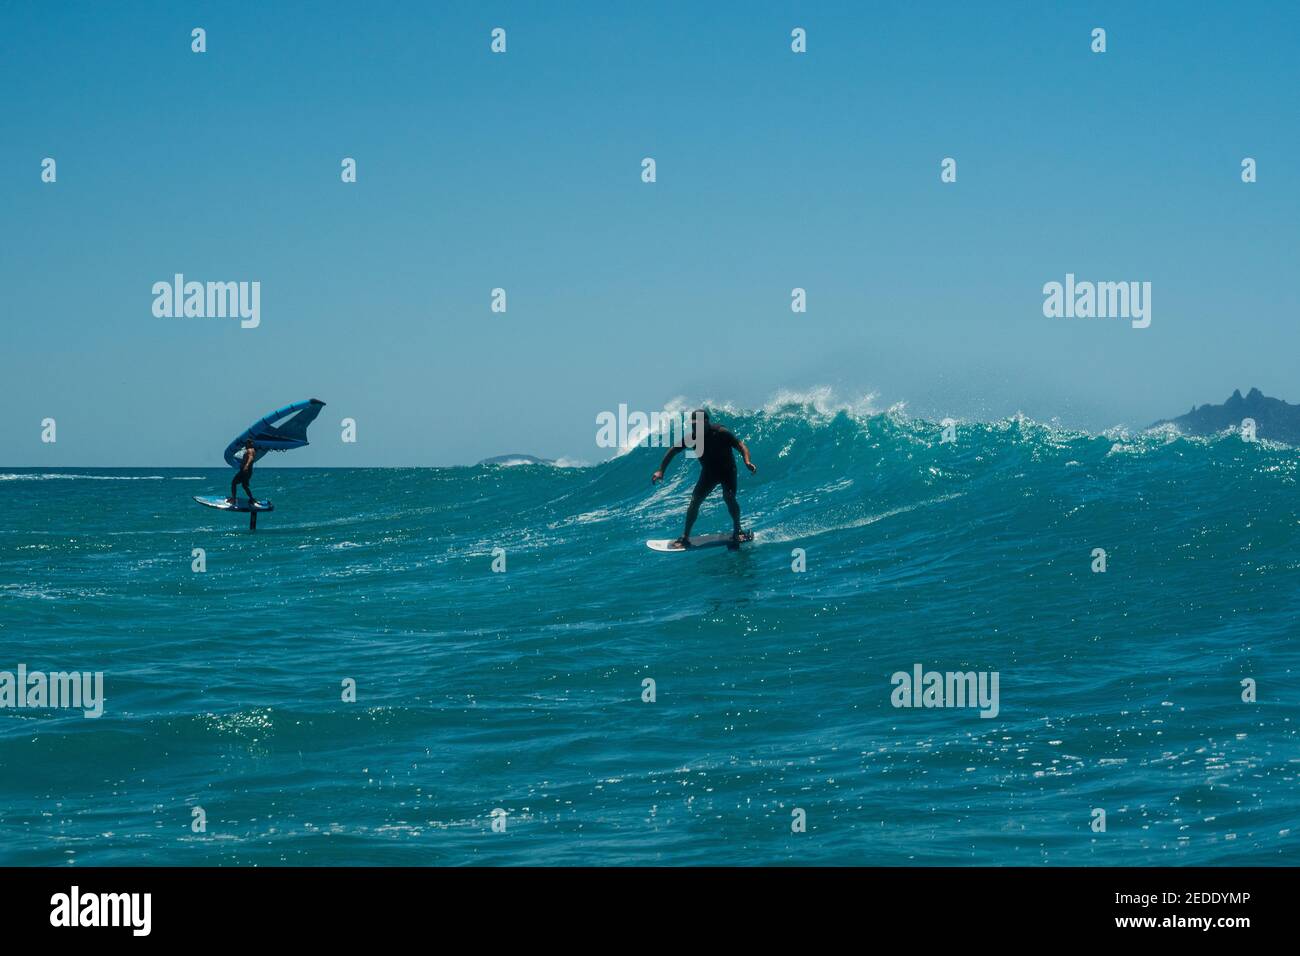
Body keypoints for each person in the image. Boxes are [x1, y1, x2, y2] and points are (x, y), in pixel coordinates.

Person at [652, 409, 756, 548]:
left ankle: (738, 530)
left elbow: (740, 445)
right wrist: (661, 471)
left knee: (729, 497)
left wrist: (747, 461)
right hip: (709, 473)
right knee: (695, 502)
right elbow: (673, 450)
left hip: (727, 472)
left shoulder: (721, 432)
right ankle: (685, 537)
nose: (694, 427)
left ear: (706, 422)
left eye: (697, 424)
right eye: (693, 424)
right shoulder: (693, 437)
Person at [228, 440, 258, 506]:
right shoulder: (253, 450)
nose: (245, 445)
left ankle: (233, 499)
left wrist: (246, 466)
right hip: (248, 471)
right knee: (244, 486)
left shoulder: (249, 450)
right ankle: (251, 499)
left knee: (233, 483)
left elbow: (251, 458)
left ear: (249, 444)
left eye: (246, 443)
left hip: (245, 471)